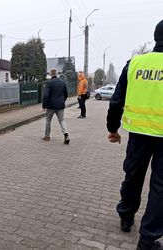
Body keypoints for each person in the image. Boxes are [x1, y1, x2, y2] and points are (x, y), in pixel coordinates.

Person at [107, 20, 163, 250]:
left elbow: (117, 99)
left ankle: (126, 217)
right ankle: (148, 239)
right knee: (161, 187)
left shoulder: (135, 63)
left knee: (133, 175)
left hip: (138, 134)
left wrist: (113, 128)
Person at [42, 68, 70, 144]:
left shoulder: (49, 83)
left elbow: (45, 95)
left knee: (48, 120)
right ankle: (66, 134)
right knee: (61, 120)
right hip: (60, 106)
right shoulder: (62, 83)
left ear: (51, 74)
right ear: (57, 74)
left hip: (50, 106)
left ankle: (47, 136)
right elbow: (66, 94)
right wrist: (62, 101)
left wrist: (44, 105)